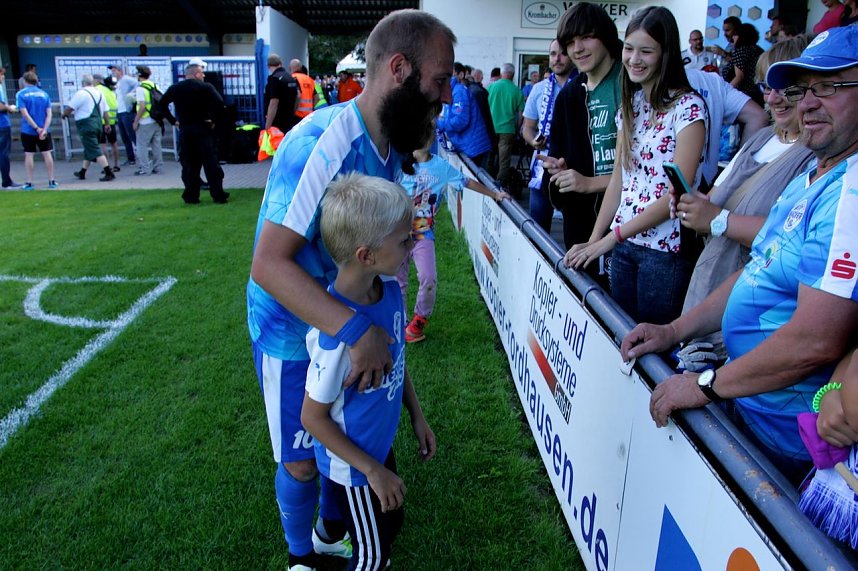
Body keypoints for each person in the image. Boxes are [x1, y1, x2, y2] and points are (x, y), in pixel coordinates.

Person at [246, 10, 454, 571]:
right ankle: (301, 558)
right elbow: (269, 265)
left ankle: (329, 531)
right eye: (440, 80)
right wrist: (356, 330)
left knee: (343, 441)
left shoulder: (392, 148)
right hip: (292, 327)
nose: (447, 96)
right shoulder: (318, 143)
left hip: (347, 324)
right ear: (399, 68)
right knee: (301, 461)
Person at [620, 26, 858, 484]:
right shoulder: (815, 174)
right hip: (749, 406)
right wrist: (674, 330)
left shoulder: (851, 192)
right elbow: (757, 269)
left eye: (829, 87)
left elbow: (816, 341)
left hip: (788, 443)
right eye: (803, 89)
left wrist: (706, 385)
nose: (807, 103)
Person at [301, 172, 436, 570]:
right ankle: (332, 535)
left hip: (376, 447)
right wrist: (373, 471)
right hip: (356, 466)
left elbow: (397, 361)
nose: (413, 244)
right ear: (367, 256)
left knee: (391, 523)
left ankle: (328, 535)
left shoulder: (389, 289)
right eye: (404, 240)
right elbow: (312, 418)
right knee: (374, 556)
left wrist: (417, 416)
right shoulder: (334, 338)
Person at [673, 36, 814, 371]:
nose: (773, 98)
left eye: (786, 88)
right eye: (766, 86)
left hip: (751, 318)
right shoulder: (762, 138)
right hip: (707, 295)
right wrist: (691, 204)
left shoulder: (815, 158)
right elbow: (716, 200)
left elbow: (792, 240)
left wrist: (718, 220)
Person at [564, 6, 708, 326]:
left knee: (651, 343)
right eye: (629, 49)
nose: (634, 59)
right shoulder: (631, 105)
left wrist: (610, 238)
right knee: (621, 332)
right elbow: (619, 180)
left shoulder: (688, 108)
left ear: (666, 54)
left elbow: (676, 195)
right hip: (623, 247)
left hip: (664, 253)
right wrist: (595, 238)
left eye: (646, 51)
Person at [396, 125, 510, 343]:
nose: (426, 138)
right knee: (398, 281)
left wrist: (494, 194)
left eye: (428, 133)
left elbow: (467, 182)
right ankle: (399, 323)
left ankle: (418, 321)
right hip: (397, 235)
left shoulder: (441, 167)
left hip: (423, 234)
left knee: (428, 278)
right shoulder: (399, 165)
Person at [537, 1, 623, 257]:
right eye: (570, 42)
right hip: (581, 229)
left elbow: (649, 170)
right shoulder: (568, 96)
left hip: (633, 230)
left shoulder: (632, 85)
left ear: (605, 36)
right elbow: (559, 156)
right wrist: (559, 171)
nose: (577, 49)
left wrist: (589, 183)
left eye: (586, 37)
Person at [521, 38, 576, 232]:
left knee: (575, 230)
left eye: (562, 54)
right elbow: (527, 128)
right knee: (538, 228)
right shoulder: (538, 89)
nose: (557, 59)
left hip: (574, 168)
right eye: (553, 54)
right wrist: (534, 141)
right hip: (542, 167)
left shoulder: (584, 86)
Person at [685, 67, 768, 188]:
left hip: (669, 185)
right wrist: (736, 170)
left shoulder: (659, 79)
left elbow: (758, 117)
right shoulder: (711, 81)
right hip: (704, 185)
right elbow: (758, 117)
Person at [160, 62, 229, 205]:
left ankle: (191, 196)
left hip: (185, 129)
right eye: (202, 73)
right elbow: (219, 103)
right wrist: (214, 120)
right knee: (210, 162)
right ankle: (218, 194)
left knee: (189, 164)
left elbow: (162, 104)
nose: (203, 76)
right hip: (203, 128)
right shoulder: (206, 87)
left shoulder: (176, 88)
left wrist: (173, 121)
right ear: (196, 74)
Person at [437, 62, 492, 168]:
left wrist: (439, 124)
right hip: (468, 146)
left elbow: (460, 121)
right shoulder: (450, 90)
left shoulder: (459, 91)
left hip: (474, 148)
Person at [61, 73, 115, 182]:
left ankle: (108, 172)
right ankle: (82, 172)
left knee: (94, 149)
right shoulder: (99, 93)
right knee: (89, 148)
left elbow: (70, 108)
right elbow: (106, 111)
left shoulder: (81, 93)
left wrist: (64, 114)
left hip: (86, 125)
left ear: (83, 83)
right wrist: (107, 124)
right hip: (98, 124)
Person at [16, 71, 58, 190]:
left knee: (29, 155)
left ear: (25, 81)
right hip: (44, 129)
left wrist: (36, 128)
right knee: (47, 153)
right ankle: (51, 180)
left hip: (28, 130)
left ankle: (29, 182)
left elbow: (25, 114)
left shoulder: (21, 94)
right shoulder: (44, 94)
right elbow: (49, 114)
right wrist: (44, 129)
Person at [487, 63, 524, 192]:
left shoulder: (491, 87)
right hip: (507, 130)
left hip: (491, 128)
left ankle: (487, 180)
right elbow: (521, 115)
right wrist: (517, 129)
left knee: (489, 156)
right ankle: (500, 185)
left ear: (501, 73)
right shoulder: (517, 91)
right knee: (504, 160)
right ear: (513, 74)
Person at [722, 23, 765, 107]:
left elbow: (739, 77)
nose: (733, 38)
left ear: (741, 36)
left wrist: (725, 92)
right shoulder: (758, 49)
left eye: (735, 35)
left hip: (744, 96)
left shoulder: (740, 51)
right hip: (758, 93)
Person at [132, 65, 163, 176]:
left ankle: (145, 168)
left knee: (141, 145)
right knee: (156, 145)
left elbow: (142, 107)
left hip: (145, 121)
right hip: (156, 120)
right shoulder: (154, 85)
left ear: (139, 75)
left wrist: (136, 121)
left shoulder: (141, 88)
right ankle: (158, 167)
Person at [109, 64, 137, 166]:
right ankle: (131, 158)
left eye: (114, 70)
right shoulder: (117, 83)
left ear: (120, 71)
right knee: (125, 137)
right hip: (119, 112)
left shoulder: (126, 79)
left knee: (132, 135)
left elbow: (138, 84)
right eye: (112, 71)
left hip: (126, 112)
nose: (113, 72)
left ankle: (143, 158)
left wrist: (131, 95)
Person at [264, 54, 300, 133]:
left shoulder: (274, 79)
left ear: (268, 66)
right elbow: (298, 96)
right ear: (281, 64)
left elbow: (273, 103)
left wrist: (267, 126)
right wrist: (292, 111)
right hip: (290, 120)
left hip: (278, 122)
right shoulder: (291, 78)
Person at [94, 74, 121, 172]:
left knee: (103, 145)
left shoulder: (97, 89)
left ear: (96, 81)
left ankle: (107, 167)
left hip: (101, 121)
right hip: (112, 121)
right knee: (114, 144)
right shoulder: (111, 92)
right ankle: (116, 165)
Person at [0, 66, 21, 189]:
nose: (3, 77)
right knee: (3, 153)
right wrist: (9, 108)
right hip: (2, 124)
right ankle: (6, 181)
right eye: (2, 74)